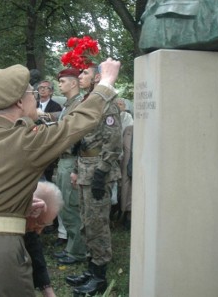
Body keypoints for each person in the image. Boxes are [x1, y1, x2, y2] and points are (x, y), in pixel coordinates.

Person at [0, 59, 120, 296]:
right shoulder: (24, 141)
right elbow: (75, 123)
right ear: (18, 102)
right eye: (31, 93)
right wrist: (106, 83)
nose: (35, 97)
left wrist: (20, 204)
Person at [66, 64, 122, 295]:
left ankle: (99, 277)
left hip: (99, 172)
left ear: (98, 77)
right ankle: (91, 269)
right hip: (85, 169)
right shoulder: (88, 101)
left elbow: (113, 142)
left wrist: (101, 172)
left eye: (85, 73)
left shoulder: (107, 104)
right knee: (87, 222)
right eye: (79, 74)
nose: (80, 77)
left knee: (98, 225)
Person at [52, 68, 88, 265]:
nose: (60, 84)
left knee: (72, 206)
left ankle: (77, 251)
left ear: (73, 83)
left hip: (71, 159)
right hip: (63, 160)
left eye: (63, 81)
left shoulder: (79, 104)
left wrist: (75, 167)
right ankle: (72, 248)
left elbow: (79, 136)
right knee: (65, 206)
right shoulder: (68, 105)